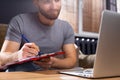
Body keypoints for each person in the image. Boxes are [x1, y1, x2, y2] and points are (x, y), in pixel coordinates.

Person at [0, 0, 77, 72]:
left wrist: (53, 62)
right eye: (47, 1)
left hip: (48, 76)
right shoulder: (19, 22)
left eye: (57, 0)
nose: (54, 7)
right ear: (36, 2)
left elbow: (72, 60)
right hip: (18, 75)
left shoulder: (66, 27)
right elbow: (2, 59)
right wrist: (18, 55)